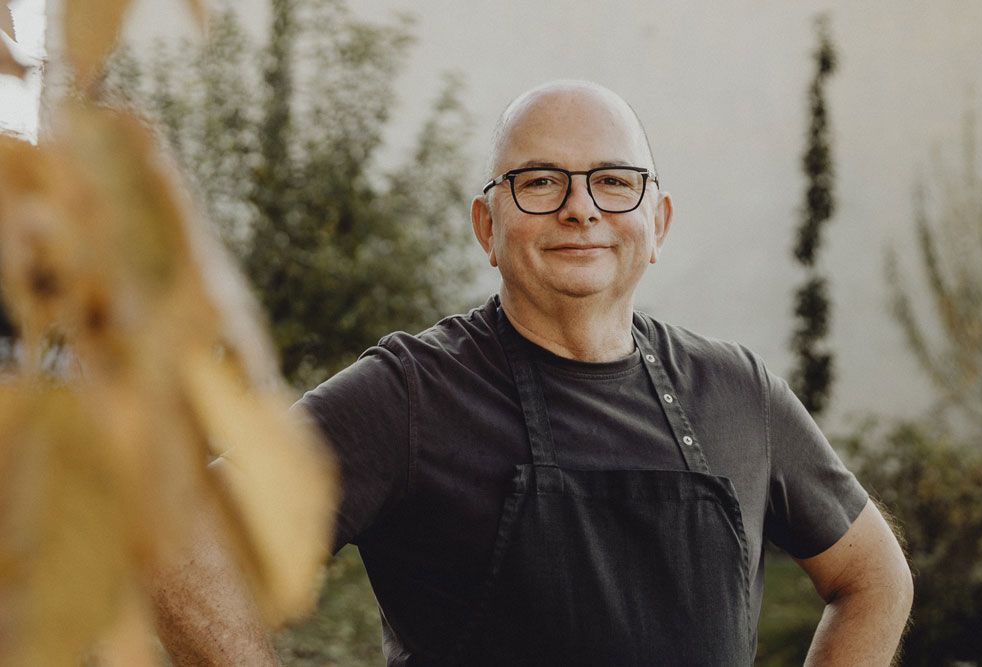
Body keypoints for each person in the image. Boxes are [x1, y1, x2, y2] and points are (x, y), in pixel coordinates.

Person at [153, 80, 913, 666]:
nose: (580, 208)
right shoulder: (413, 394)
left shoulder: (738, 392)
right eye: (540, 181)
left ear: (659, 222)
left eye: (614, 181)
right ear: (488, 226)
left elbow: (875, 575)